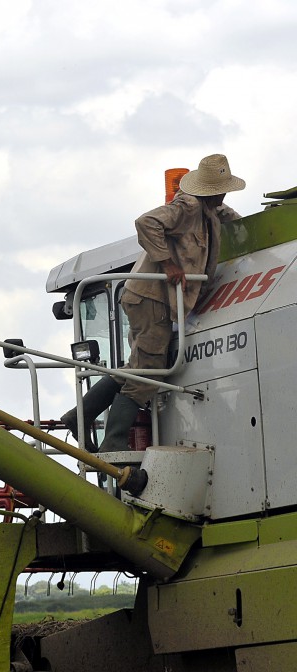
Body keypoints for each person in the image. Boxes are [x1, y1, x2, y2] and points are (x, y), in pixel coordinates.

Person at [62, 154, 245, 452]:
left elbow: (234, 220)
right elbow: (146, 222)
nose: (225, 194)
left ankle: (78, 416)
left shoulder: (212, 210)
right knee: (149, 372)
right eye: (222, 188)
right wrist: (169, 263)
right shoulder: (188, 206)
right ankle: (113, 443)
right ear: (212, 189)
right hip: (151, 296)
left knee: (138, 366)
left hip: (148, 297)